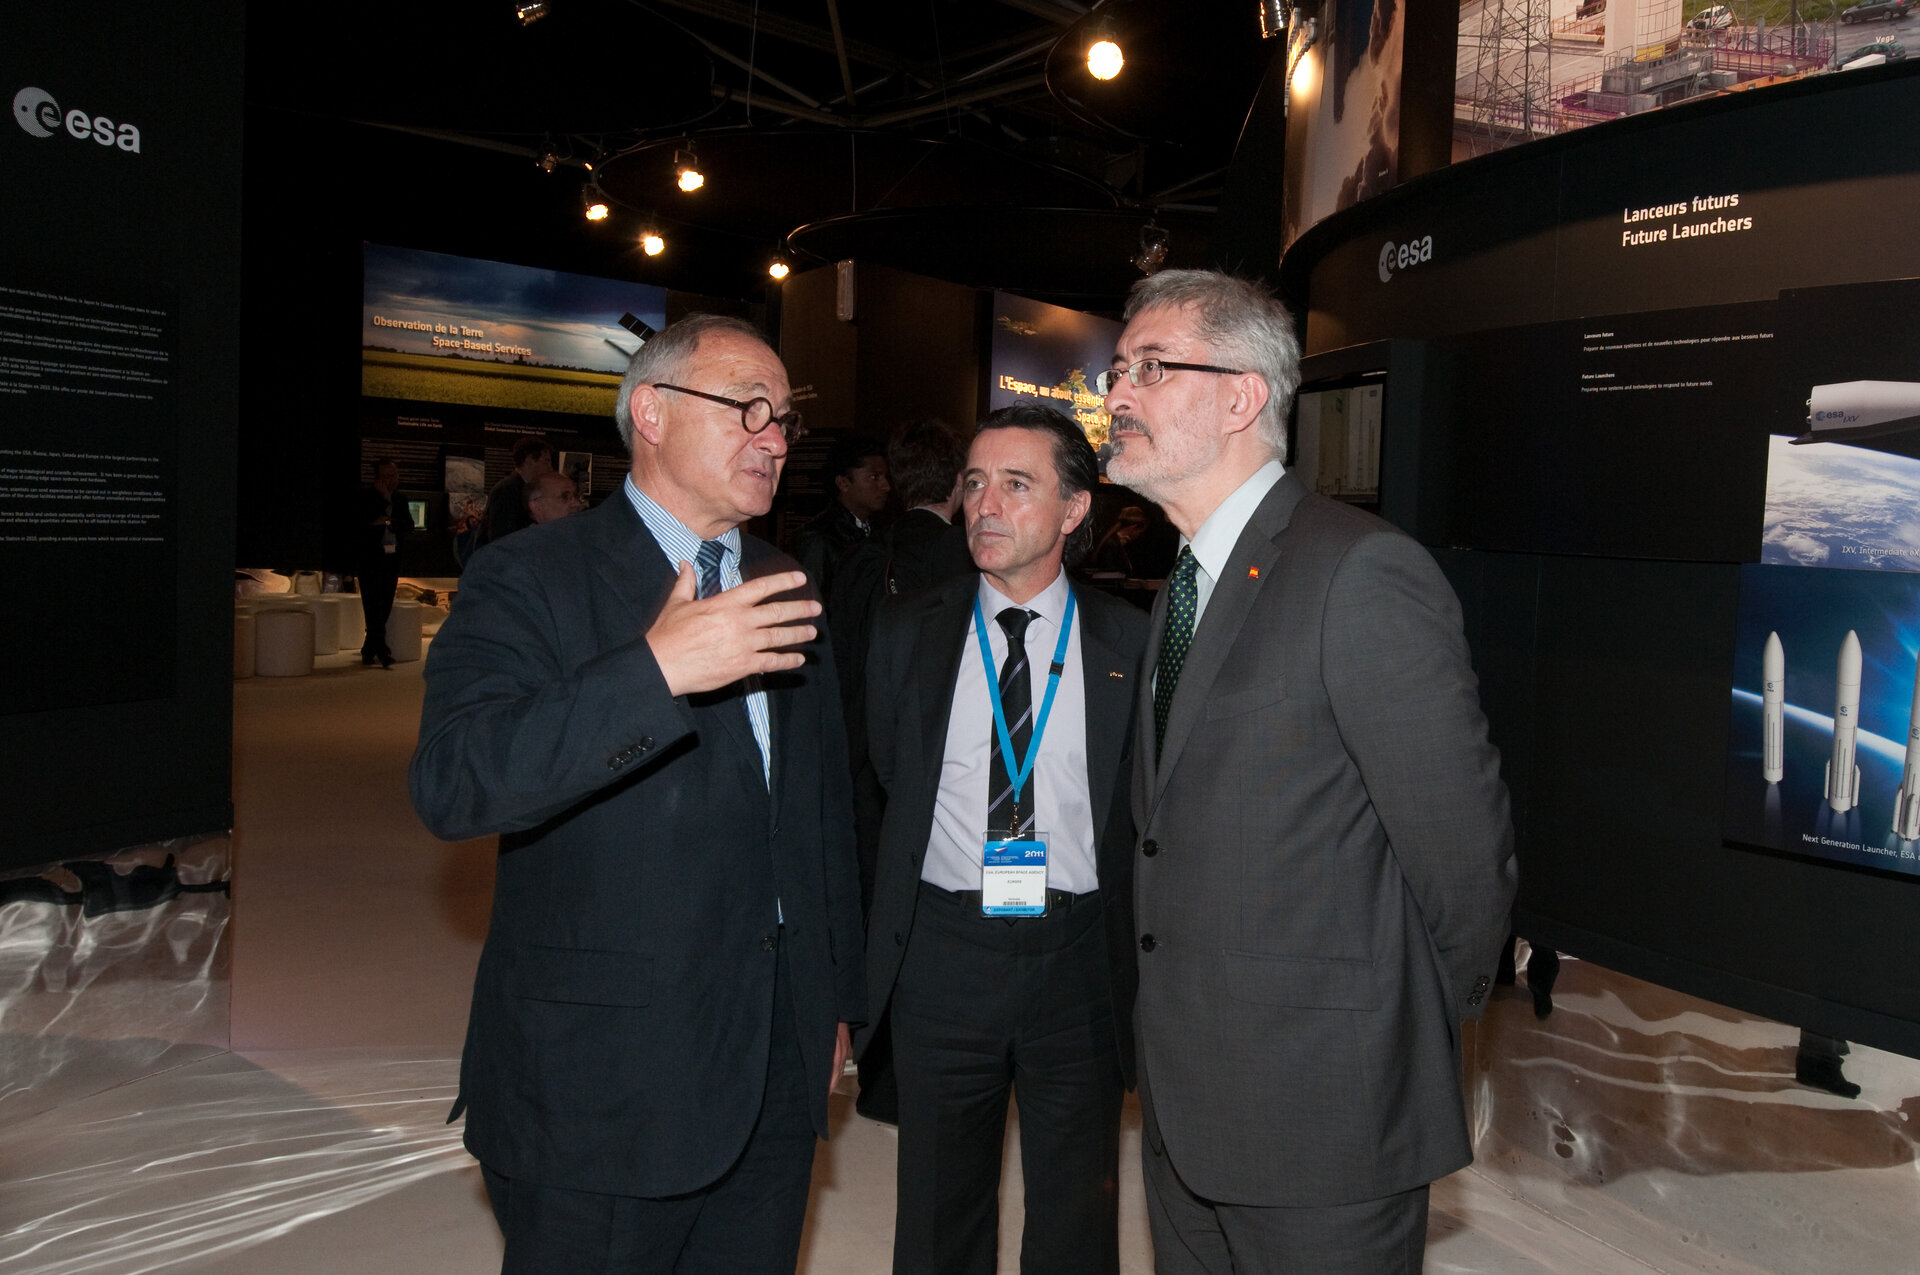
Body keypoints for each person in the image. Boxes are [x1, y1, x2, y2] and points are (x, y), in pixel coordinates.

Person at [410, 313, 865, 1274]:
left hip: (771, 1066)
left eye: (785, 420)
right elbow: (456, 781)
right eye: (748, 408)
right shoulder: (528, 576)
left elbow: (817, 817)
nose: (775, 438)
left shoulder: (785, 580)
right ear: (650, 411)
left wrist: (828, 1003)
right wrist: (653, 671)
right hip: (600, 1086)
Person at [1101, 269, 1516, 1274]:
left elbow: (1462, 855)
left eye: (1149, 368)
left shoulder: (1359, 572)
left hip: (1325, 1114)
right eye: (1117, 370)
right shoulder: (1183, 591)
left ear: (1242, 397)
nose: (1116, 397)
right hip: (1185, 1107)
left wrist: (1391, 1040)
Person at [862, 404, 1150, 1275]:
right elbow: (877, 788)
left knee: (1076, 1211)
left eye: (1017, 484)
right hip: (944, 955)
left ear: (1073, 509)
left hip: (1079, 961)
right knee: (939, 1207)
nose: (985, 503)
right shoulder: (907, 630)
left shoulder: (1128, 643)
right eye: (976, 482)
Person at [830, 416, 974, 1127]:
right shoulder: (971, 568)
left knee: (874, 913)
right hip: (943, 782)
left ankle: (876, 1071)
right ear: (958, 483)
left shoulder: (864, 559)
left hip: (859, 771)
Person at [789, 433, 888, 607]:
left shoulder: (879, 531)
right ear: (843, 483)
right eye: (874, 477)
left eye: (884, 477)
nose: (886, 486)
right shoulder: (818, 538)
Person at [355, 458, 411, 668]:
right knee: (372, 605)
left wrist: (386, 519)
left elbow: (407, 525)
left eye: (394, 475)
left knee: (385, 604)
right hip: (369, 560)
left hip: (392, 560)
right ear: (377, 478)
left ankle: (370, 648)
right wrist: (385, 503)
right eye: (386, 476)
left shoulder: (401, 499)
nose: (392, 480)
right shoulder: (365, 497)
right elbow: (365, 523)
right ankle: (380, 650)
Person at [478, 436, 554, 546]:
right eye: (546, 462)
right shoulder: (506, 491)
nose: (550, 468)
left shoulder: (517, 487)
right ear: (529, 461)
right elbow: (501, 536)